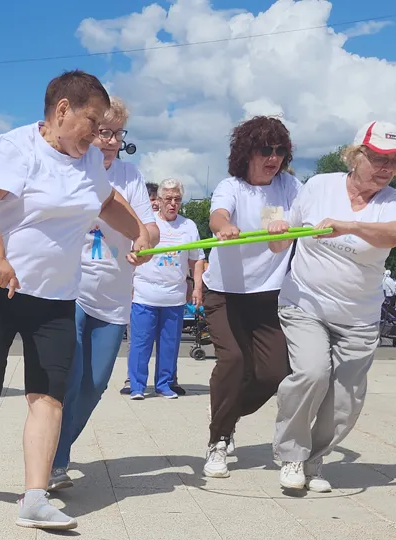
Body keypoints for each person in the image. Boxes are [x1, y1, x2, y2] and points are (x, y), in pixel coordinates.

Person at [0, 70, 153, 531]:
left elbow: (107, 202)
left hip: (57, 297)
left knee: (48, 396)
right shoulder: (18, 147)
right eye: (91, 123)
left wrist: (140, 233)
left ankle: (34, 498)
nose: (97, 134)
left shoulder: (90, 160)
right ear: (62, 111)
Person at [268, 120, 396, 491]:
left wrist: (349, 226)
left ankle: (315, 459)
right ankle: (292, 456)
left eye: (394, 161)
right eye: (379, 158)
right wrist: (277, 233)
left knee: (346, 399)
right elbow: (281, 242)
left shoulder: (394, 200)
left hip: (358, 316)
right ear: (355, 155)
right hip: (305, 302)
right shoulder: (318, 186)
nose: (386, 168)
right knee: (312, 373)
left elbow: (394, 234)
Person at [48, 97, 160, 491]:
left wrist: (144, 241)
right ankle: (54, 459)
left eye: (117, 133)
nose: (111, 141)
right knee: (72, 377)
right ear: (89, 132)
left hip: (114, 298)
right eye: (103, 132)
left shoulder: (131, 176)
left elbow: (150, 227)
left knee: (94, 385)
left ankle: (55, 448)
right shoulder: (73, 170)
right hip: (72, 290)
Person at [201, 115, 302, 478]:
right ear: (247, 152)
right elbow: (217, 215)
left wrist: (287, 228)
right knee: (232, 362)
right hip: (224, 294)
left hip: (268, 296)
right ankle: (218, 440)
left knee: (274, 372)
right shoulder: (232, 186)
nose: (273, 158)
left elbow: (288, 236)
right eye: (265, 150)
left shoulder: (289, 187)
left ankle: (225, 414)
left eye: (279, 151)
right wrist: (225, 227)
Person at [127, 178, 205, 400]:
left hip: (174, 296)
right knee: (140, 344)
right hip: (144, 292)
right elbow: (132, 255)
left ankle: (164, 384)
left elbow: (197, 259)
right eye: (168, 199)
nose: (172, 204)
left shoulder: (188, 226)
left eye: (177, 200)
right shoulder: (148, 224)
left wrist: (197, 288)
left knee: (170, 345)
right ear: (159, 201)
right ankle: (137, 386)